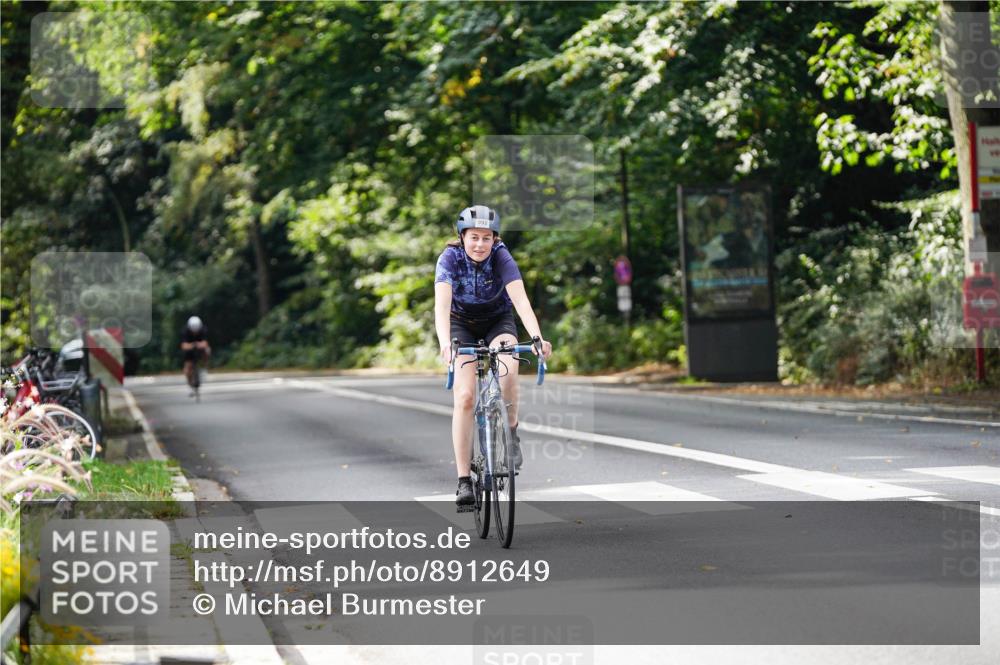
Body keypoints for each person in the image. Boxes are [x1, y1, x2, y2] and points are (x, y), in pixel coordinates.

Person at [434, 204, 553, 509]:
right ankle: (463, 481)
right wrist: (446, 343)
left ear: (495, 239)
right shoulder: (449, 259)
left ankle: (511, 433)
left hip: (498, 320)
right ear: (462, 237)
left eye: (487, 238)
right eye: (474, 237)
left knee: (509, 368)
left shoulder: (502, 256)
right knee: (464, 397)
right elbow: (441, 307)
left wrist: (537, 338)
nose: (480, 244)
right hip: (461, 324)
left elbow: (520, 299)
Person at [180, 316, 211, 397]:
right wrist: (192, 345)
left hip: (200, 348)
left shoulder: (203, 329)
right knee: (187, 368)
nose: (195, 332)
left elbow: (205, 343)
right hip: (189, 349)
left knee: (207, 350)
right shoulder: (185, 331)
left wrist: (199, 345)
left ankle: (205, 367)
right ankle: (190, 386)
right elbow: (183, 346)